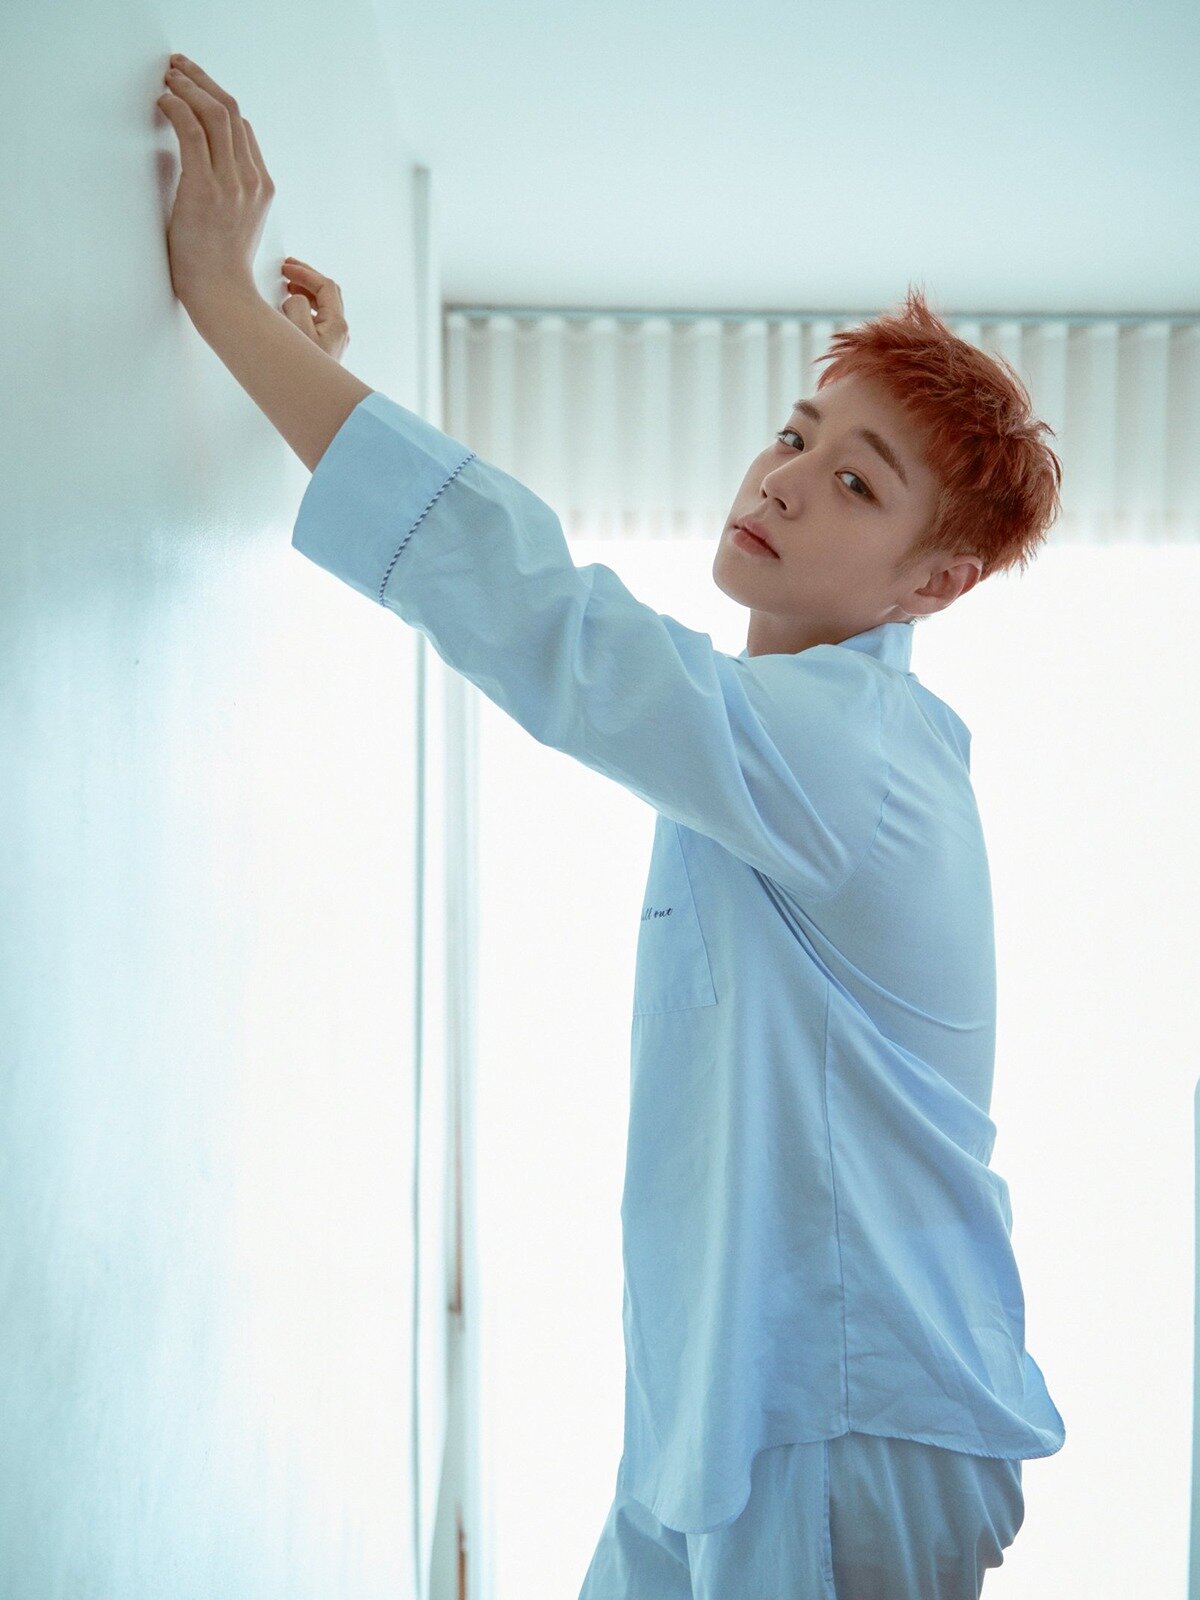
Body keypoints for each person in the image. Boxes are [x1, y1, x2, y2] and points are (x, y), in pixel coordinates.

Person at [302, 282, 1072, 1599]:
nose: (785, 482)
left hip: (844, 1412)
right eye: (795, 435)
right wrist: (314, 389)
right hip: (722, 1405)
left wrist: (234, 311)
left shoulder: (854, 749)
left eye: (856, 484)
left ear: (935, 583)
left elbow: (548, 622)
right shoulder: (771, 737)